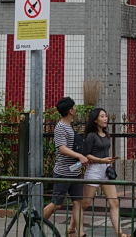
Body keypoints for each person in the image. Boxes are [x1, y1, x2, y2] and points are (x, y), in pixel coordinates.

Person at [43, 97, 88, 237]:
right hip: (63, 172)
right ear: (70, 111)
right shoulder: (60, 127)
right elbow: (62, 148)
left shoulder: (69, 126)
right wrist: (79, 156)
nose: (75, 109)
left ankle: (79, 233)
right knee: (56, 204)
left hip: (73, 171)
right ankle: (35, 222)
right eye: (74, 107)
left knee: (77, 202)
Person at [80, 109, 127, 237]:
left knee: (114, 202)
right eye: (102, 116)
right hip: (94, 171)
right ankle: (72, 228)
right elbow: (86, 154)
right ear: (95, 119)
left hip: (106, 170)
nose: (105, 118)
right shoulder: (91, 136)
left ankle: (120, 233)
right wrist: (101, 159)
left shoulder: (106, 135)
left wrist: (109, 160)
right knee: (84, 204)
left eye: (106, 116)